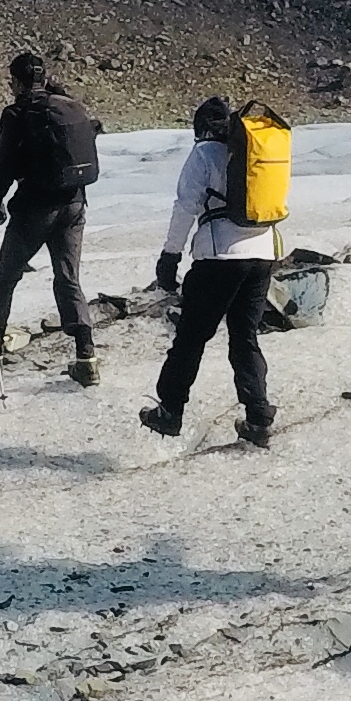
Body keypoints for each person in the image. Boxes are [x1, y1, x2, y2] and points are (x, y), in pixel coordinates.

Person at [142, 95, 278, 446]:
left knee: (190, 338)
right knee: (244, 337)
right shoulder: (251, 150)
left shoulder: (203, 153)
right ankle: (258, 417)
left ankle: (170, 412)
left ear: (200, 127)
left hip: (219, 257)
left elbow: (185, 206)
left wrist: (169, 257)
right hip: (263, 253)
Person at [0, 50, 102, 385]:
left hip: (36, 207)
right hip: (75, 203)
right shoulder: (67, 104)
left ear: (17, 80)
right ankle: (86, 356)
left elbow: (6, 167)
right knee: (68, 277)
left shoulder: (17, 113)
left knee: (6, 277)